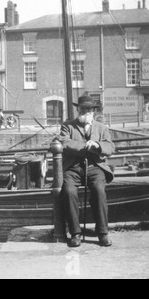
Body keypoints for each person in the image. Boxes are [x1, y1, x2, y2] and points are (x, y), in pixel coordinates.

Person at [59, 94, 115, 248]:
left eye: (89, 109)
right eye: (83, 109)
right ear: (78, 109)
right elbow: (64, 142)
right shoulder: (67, 126)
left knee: (98, 190)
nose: (86, 111)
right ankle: (75, 233)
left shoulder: (102, 128)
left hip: (95, 167)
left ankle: (103, 233)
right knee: (69, 192)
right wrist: (85, 146)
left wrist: (97, 145)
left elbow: (110, 148)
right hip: (73, 168)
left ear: (93, 111)